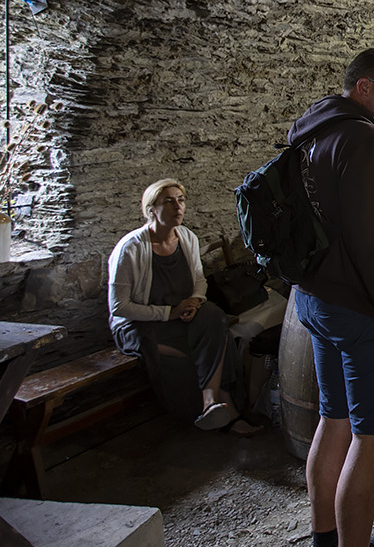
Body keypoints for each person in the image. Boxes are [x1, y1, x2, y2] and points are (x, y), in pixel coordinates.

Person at [290, 48, 374, 547]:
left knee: (333, 418)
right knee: (371, 437)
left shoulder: (312, 125)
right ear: (363, 87)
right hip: (359, 308)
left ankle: (325, 545)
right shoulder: (361, 137)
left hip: (314, 296)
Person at [108, 180, 261, 435]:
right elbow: (120, 307)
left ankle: (211, 402)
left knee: (214, 315)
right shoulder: (131, 248)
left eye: (180, 200)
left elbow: (199, 281)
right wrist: (170, 312)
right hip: (141, 326)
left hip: (179, 317)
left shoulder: (187, 237)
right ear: (151, 210)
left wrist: (195, 302)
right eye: (168, 201)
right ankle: (222, 411)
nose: (177, 207)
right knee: (209, 347)